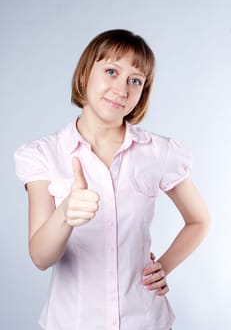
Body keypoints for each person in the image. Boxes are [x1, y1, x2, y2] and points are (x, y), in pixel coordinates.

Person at [14, 29, 210, 330]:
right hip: (73, 322)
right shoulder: (43, 154)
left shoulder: (158, 152)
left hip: (145, 321)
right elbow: (40, 257)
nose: (122, 88)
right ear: (84, 75)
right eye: (111, 71)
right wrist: (66, 214)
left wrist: (164, 267)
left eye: (135, 80)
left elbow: (199, 220)